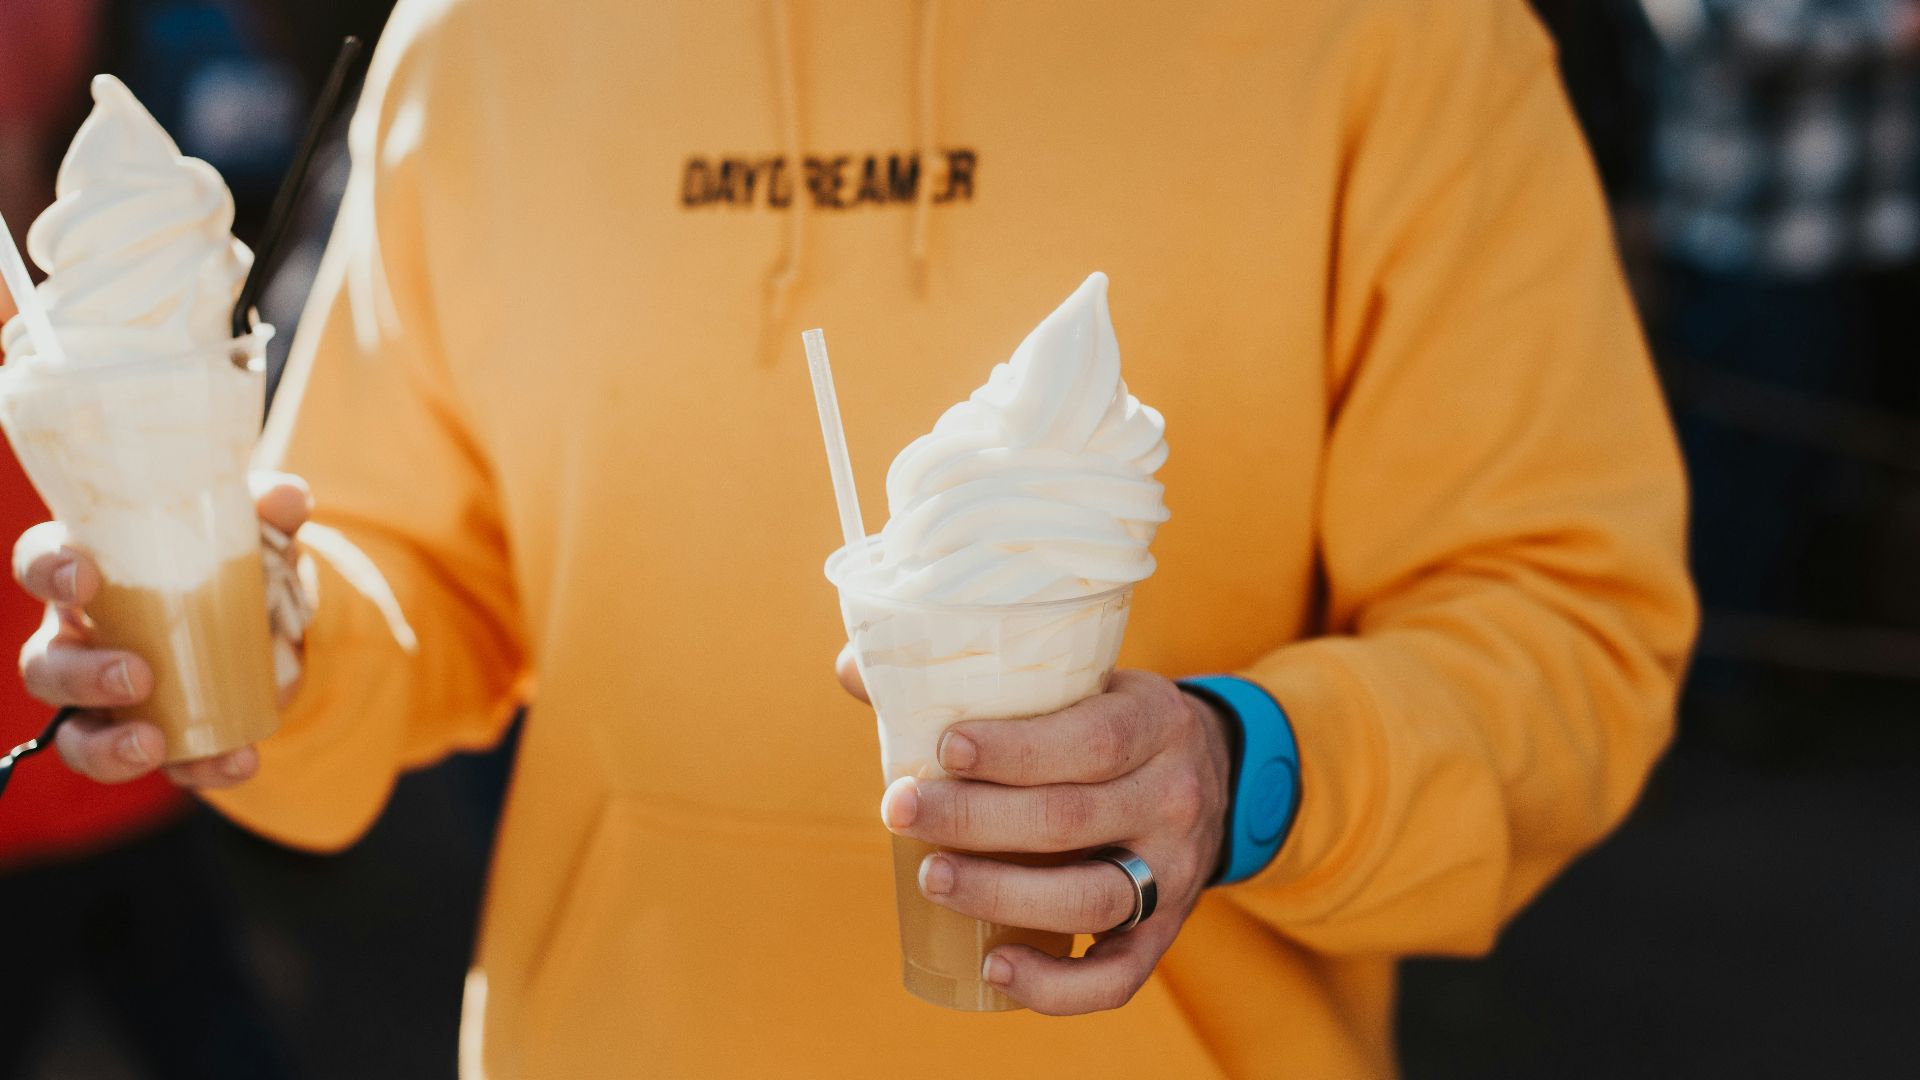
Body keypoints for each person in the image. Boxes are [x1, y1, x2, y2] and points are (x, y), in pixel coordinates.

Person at [11, 0, 1697, 1076]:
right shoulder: (487, 35)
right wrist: (277, 642)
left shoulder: (1398, 33)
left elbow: (1568, 624)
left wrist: (1244, 766)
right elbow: (415, 572)